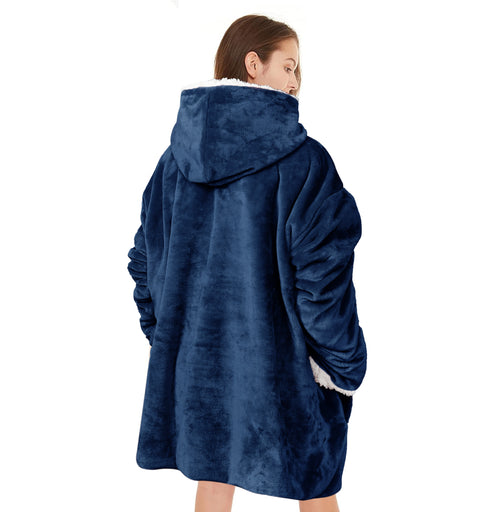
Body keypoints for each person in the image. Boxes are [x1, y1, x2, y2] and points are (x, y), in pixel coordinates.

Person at [127, 14, 367, 512]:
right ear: (253, 64)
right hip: (287, 372)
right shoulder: (305, 162)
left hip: (199, 372)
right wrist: (340, 364)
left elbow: (146, 261)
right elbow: (324, 279)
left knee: (213, 479)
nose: (296, 81)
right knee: (317, 483)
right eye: (289, 65)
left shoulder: (173, 163)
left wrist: (172, 336)